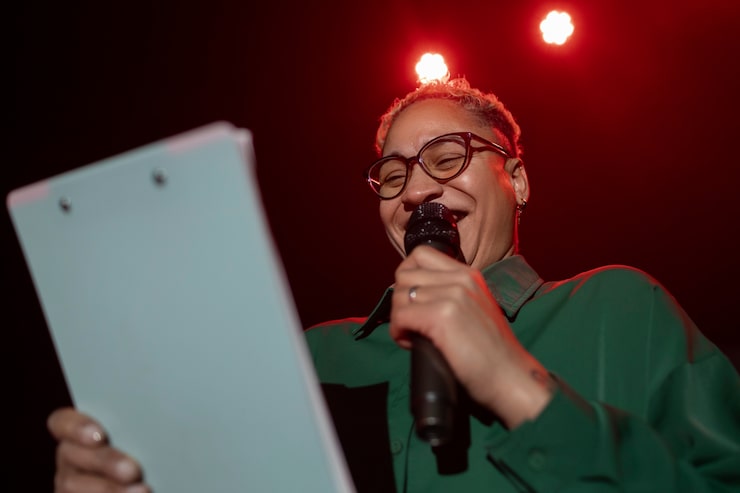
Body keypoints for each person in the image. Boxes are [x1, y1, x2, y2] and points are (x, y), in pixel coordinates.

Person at [47, 78, 740, 492]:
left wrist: (517, 385)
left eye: (448, 156)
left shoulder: (621, 308)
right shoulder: (312, 357)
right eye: (394, 173)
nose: (416, 190)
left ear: (518, 180)